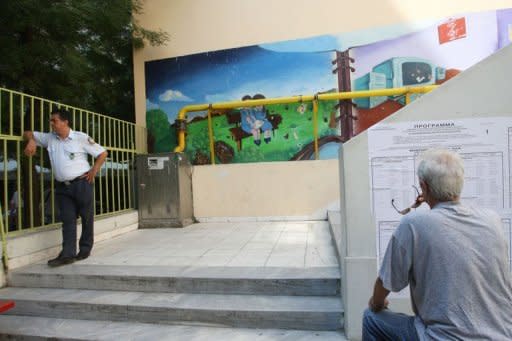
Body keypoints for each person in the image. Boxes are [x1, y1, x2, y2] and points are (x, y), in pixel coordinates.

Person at [363, 149, 512, 340]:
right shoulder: (492, 220)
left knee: (371, 318)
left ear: (423, 187)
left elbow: (386, 282)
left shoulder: (413, 223)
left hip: (442, 337)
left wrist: (376, 303)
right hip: (502, 335)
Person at [24, 108, 107, 267]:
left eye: (54, 120)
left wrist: (94, 170)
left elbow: (102, 153)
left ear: (65, 122)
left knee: (86, 217)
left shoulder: (80, 138)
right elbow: (27, 132)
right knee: (67, 220)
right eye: (51, 121)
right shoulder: (50, 138)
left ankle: (85, 248)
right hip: (62, 188)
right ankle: (67, 254)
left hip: (82, 184)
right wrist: (32, 140)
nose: (52, 124)